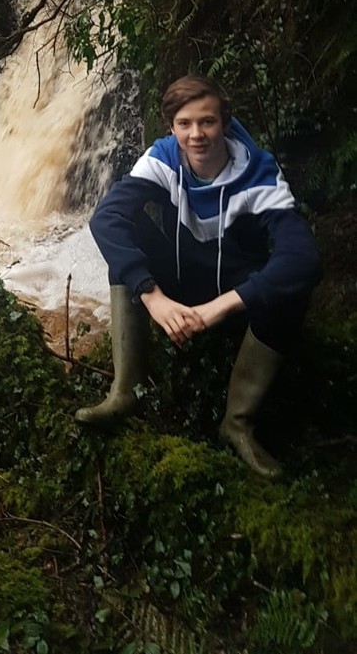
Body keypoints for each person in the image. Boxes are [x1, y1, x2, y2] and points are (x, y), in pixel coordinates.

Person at [76, 74, 322, 477]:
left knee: (291, 286)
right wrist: (153, 297)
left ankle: (237, 424)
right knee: (122, 236)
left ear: (224, 122)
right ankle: (124, 392)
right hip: (175, 288)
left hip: (232, 302)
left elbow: (303, 257)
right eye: (185, 124)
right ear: (171, 127)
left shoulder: (258, 172)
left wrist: (221, 307)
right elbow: (107, 218)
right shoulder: (163, 158)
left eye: (206, 122)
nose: (196, 135)